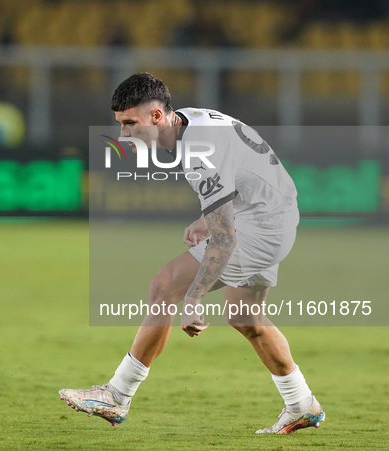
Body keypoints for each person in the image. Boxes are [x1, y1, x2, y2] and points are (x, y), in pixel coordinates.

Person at [60, 72, 325, 435]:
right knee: (246, 317)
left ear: (156, 117)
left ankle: (117, 395)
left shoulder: (198, 148)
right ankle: (301, 404)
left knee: (165, 285)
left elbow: (225, 238)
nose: (123, 134)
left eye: (129, 123)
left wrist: (194, 297)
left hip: (262, 225)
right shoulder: (190, 120)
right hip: (273, 211)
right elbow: (242, 170)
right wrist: (207, 216)